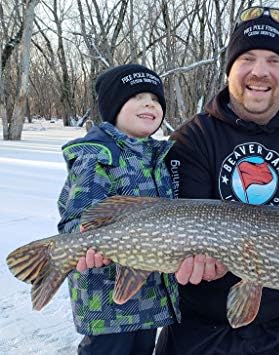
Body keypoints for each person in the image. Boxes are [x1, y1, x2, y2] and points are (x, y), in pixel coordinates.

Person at [155, 6, 279, 355]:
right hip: (202, 328)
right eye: (248, 58)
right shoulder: (192, 138)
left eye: (274, 60)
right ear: (230, 68)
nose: (260, 71)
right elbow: (180, 219)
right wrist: (197, 261)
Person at [57, 64, 181, 355]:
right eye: (136, 97)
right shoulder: (97, 155)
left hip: (148, 300)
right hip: (107, 308)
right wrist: (84, 238)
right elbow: (76, 219)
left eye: (154, 98)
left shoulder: (158, 157)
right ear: (113, 107)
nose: (148, 103)